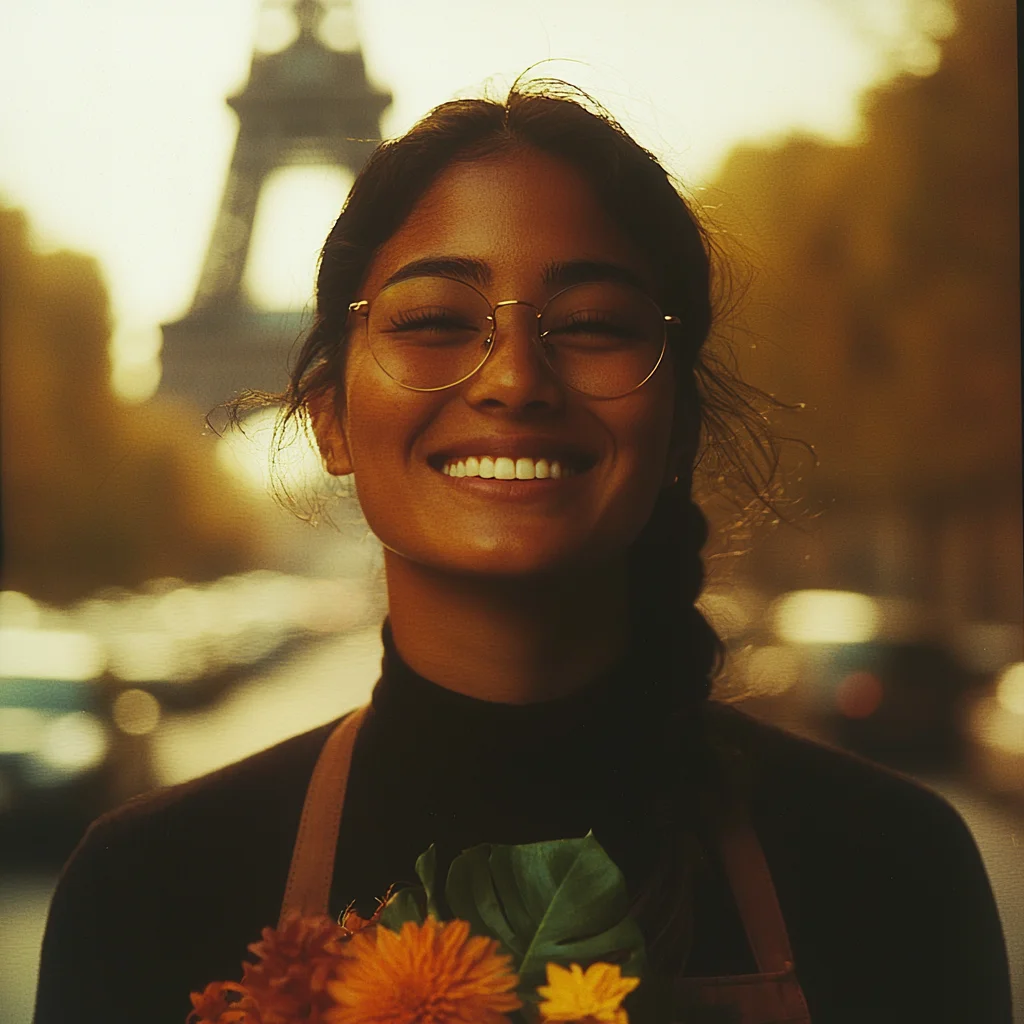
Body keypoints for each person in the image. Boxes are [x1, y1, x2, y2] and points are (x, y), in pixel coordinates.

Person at [34, 82, 1011, 1024]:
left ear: (676, 423)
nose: (513, 376)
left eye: (588, 325)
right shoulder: (142, 889)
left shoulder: (894, 869)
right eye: (432, 322)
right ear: (329, 415)